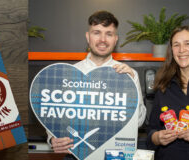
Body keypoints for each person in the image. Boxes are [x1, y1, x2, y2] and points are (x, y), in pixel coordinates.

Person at [47, 10, 147, 159]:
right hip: (75, 154)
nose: (102, 39)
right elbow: (55, 116)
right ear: (88, 37)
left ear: (115, 39)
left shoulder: (128, 75)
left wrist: (130, 86)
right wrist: (52, 139)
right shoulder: (69, 74)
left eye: (109, 34)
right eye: (96, 33)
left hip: (113, 154)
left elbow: (138, 122)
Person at [147, 25, 189, 160]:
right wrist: (158, 138)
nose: (181, 50)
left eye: (188, 44)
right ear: (172, 50)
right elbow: (151, 133)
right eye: (176, 45)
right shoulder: (163, 85)